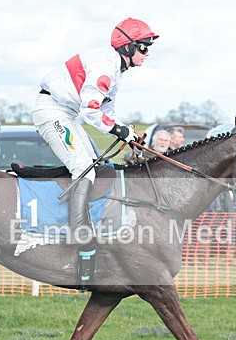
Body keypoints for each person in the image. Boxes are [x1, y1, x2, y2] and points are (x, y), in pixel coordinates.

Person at [33, 17, 159, 246]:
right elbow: (90, 112)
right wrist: (120, 131)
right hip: (53, 112)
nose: (147, 52)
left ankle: (83, 222)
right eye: (143, 47)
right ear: (128, 47)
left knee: (93, 165)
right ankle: (78, 234)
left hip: (67, 114)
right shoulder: (106, 68)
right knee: (83, 169)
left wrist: (127, 134)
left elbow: (106, 113)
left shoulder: (115, 70)